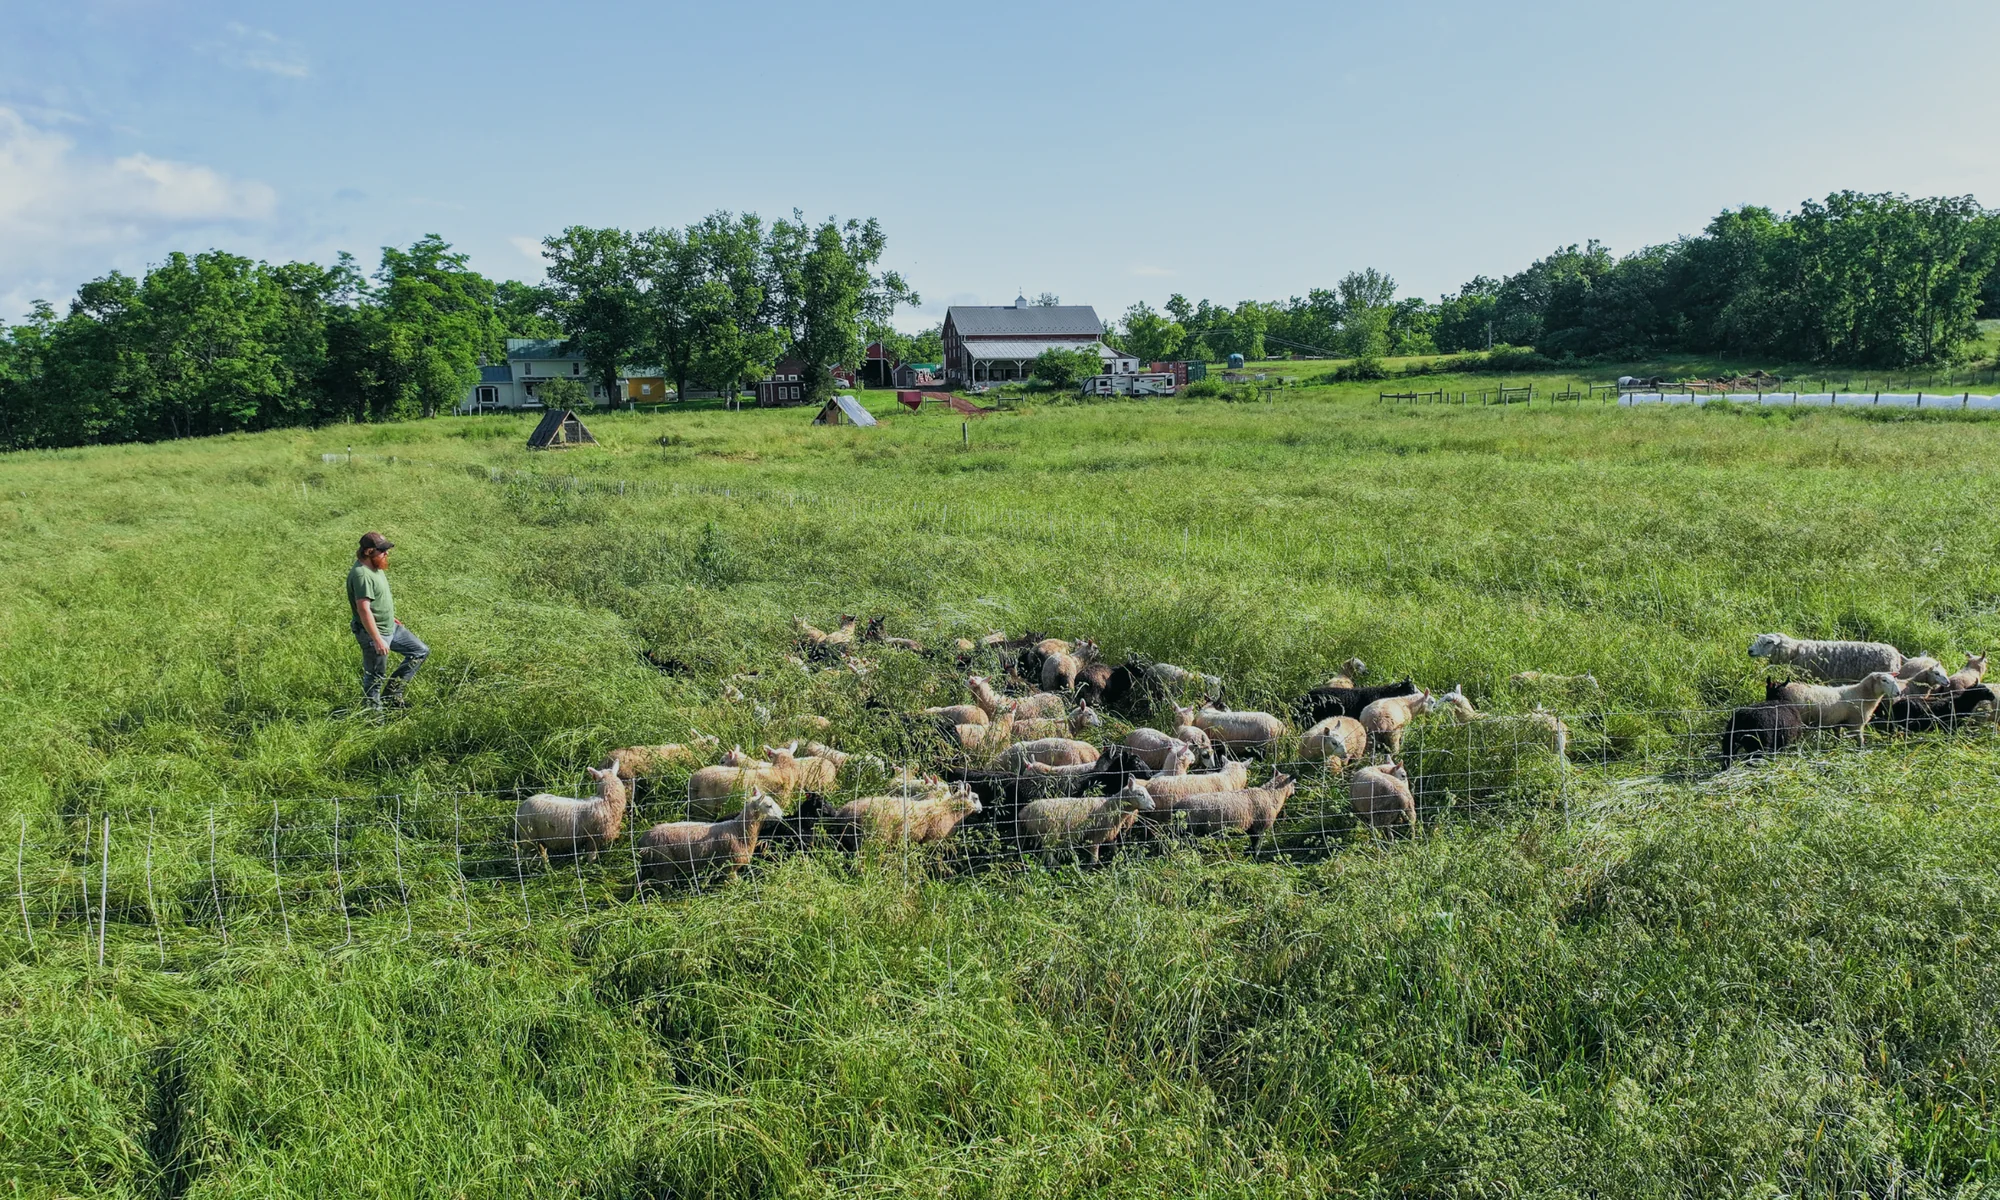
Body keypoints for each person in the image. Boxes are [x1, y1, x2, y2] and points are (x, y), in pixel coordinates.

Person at [346, 531, 428, 710]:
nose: (386, 554)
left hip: (390, 626)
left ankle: (392, 697)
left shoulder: (375, 567)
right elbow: (363, 609)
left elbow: (378, 600)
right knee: (375, 677)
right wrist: (377, 639)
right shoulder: (362, 575)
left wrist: (390, 617)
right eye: (382, 551)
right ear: (368, 552)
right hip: (375, 633)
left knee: (419, 651)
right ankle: (374, 719)